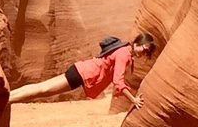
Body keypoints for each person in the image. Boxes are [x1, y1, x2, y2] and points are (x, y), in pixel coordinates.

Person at [9, 32, 158, 107]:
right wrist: (134, 100)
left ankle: (8, 96)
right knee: (44, 90)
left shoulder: (124, 49)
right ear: (138, 43)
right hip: (82, 74)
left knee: (42, 88)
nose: (143, 53)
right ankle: (7, 99)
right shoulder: (124, 53)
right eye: (144, 49)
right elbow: (118, 81)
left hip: (80, 70)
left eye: (146, 52)